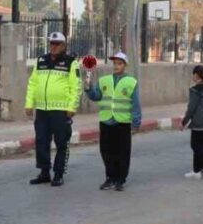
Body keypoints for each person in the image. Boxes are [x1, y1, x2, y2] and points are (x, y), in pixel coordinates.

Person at [25, 31, 81, 187]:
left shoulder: (71, 63)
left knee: (61, 142)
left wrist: (72, 107)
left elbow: (75, 87)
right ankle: (44, 172)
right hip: (42, 109)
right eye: (51, 43)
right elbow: (33, 84)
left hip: (61, 110)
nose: (54, 46)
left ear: (63, 46)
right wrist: (29, 103)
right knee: (41, 141)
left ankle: (58, 173)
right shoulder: (41, 60)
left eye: (57, 44)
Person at [85, 51, 141, 192]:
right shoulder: (104, 80)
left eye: (119, 63)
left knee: (122, 152)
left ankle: (120, 180)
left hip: (122, 122)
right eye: (115, 63)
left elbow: (135, 103)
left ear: (125, 65)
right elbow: (96, 96)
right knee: (106, 151)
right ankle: (110, 178)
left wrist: (136, 121)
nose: (116, 66)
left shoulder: (131, 82)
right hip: (106, 121)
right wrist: (89, 88)